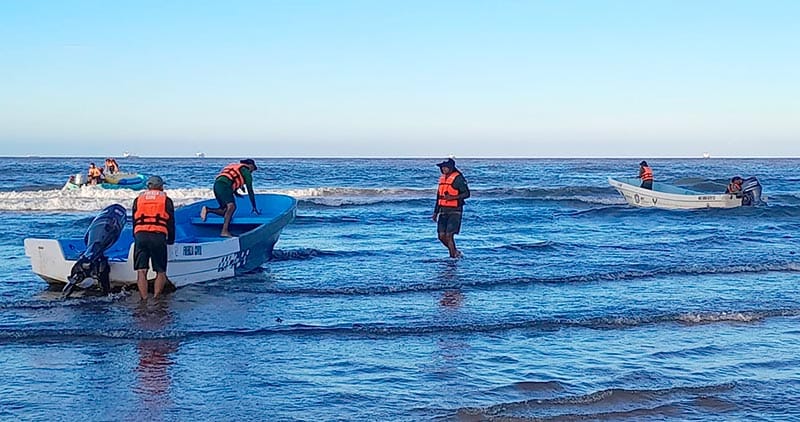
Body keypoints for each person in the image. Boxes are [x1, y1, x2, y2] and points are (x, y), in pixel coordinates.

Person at [132, 176, 175, 301]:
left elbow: (135, 220)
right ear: (161, 187)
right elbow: (170, 222)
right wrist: (171, 239)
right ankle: (156, 298)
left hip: (140, 235)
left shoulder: (138, 199)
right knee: (160, 270)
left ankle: (144, 298)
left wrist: (135, 236)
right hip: (158, 235)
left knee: (141, 270)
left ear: (148, 187)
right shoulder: (166, 200)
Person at [200, 159, 260, 237]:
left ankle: (208, 210)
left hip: (217, 186)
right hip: (224, 186)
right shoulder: (246, 171)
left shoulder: (235, 167)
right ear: (250, 165)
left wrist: (236, 193)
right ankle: (224, 231)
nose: (252, 171)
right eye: (253, 169)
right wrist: (254, 206)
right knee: (232, 207)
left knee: (225, 211)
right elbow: (250, 190)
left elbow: (230, 179)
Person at [431, 158, 470, 258]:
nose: (444, 169)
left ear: (451, 168)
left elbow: (467, 193)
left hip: (455, 211)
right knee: (441, 236)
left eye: (446, 167)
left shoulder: (458, 178)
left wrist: (453, 197)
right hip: (443, 210)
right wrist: (435, 212)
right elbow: (438, 196)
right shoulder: (442, 179)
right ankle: (455, 252)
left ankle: (452, 259)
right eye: (442, 168)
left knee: (449, 235)